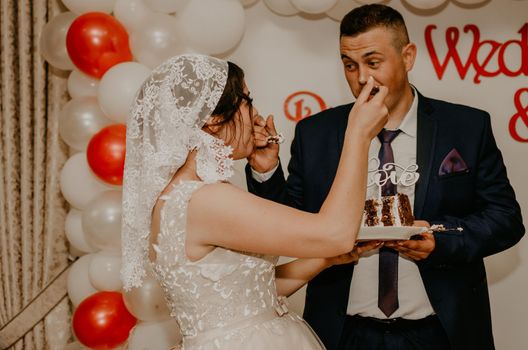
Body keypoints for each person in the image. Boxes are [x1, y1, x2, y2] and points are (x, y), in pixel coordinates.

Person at [246, 4, 524, 350]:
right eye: (350, 65)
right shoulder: (315, 133)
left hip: (442, 332)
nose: (362, 78)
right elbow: (286, 228)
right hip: (343, 333)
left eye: (373, 62)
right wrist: (265, 171)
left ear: (407, 56)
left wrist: (442, 240)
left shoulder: (466, 127)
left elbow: (506, 219)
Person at [120, 54, 387, 349]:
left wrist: (326, 259)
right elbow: (335, 234)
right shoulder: (204, 200)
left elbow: (252, 293)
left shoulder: (183, 195)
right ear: (213, 120)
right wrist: (359, 134)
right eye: (247, 101)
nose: (256, 114)